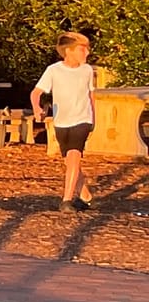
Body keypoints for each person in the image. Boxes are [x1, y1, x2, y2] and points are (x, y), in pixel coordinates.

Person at [32, 29, 98, 213]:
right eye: (82, 49)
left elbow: (91, 95)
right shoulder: (53, 70)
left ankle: (66, 200)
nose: (87, 53)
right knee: (69, 162)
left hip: (82, 119)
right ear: (69, 51)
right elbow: (36, 93)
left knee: (74, 156)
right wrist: (37, 108)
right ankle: (86, 196)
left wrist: (94, 118)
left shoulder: (87, 70)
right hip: (61, 121)